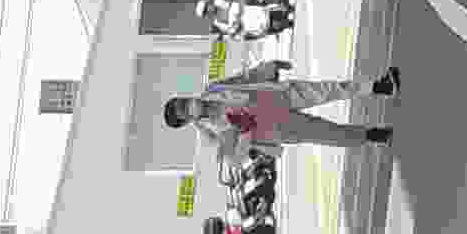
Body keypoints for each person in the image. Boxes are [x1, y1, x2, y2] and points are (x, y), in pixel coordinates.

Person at [166, 69, 398, 151]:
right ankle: (372, 135)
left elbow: (241, 79)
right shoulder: (211, 134)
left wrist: (266, 69)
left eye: (185, 100)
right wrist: (242, 133)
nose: (190, 103)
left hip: (277, 97)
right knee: (328, 133)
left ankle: (380, 87)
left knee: (328, 89)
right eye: (185, 109)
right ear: (188, 120)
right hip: (276, 127)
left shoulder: (212, 89)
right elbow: (240, 152)